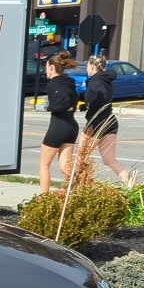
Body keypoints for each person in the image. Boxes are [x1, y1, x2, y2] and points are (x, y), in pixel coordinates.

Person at [80, 54, 130, 184]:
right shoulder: (105, 79)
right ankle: (131, 186)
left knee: (82, 158)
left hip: (97, 122)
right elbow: (102, 95)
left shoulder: (95, 80)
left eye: (87, 65)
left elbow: (101, 95)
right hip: (110, 121)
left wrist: (90, 105)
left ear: (92, 66)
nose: (87, 68)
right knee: (109, 159)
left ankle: (84, 187)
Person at [39, 50, 79, 194]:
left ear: (51, 67)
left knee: (44, 165)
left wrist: (50, 107)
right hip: (71, 126)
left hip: (59, 126)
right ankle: (84, 187)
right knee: (65, 167)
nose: (45, 71)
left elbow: (60, 104)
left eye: (46, 67)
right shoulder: (70, 83)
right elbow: (74, 100)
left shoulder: (53, 84)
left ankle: (44, 197)